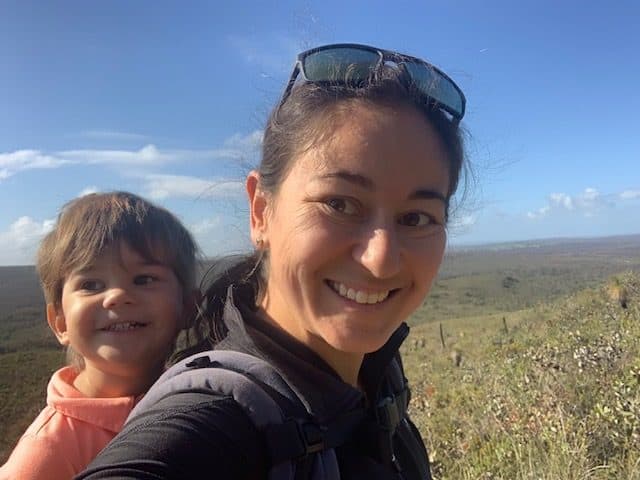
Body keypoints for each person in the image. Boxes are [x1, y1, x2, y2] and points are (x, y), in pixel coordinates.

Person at [77, 43, 467, 479]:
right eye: (339, 204)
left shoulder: (377, 370)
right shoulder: (213, 424)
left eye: (416, 218)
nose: (380, 260)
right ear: (261, 210)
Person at [0, 192, 200, 480]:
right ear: (60, 322)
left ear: (188, 307)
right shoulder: (47, 453)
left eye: (144, 279)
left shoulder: (199, 398)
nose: (117, 296)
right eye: (91, 284)